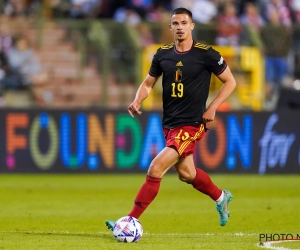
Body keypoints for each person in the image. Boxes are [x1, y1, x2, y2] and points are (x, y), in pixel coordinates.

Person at [105, 7, 236, 230]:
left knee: (156, 168)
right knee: (187, 174)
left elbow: (230, 81)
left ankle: (129, 221)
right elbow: (148, 83)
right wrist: (138, 100)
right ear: (170, 27)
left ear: (192, 26)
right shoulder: (162, 54)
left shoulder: (207, 54)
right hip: (170, 124)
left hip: (193, 123)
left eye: (184, 23)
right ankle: (221, 197)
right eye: (175, 23)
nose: (180, 27)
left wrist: (213, 107)